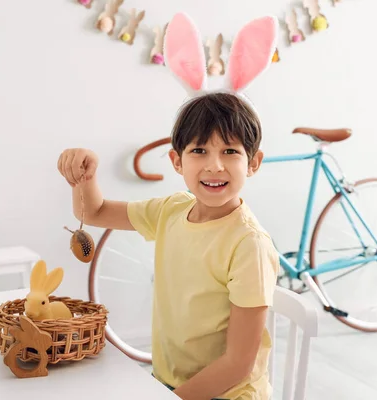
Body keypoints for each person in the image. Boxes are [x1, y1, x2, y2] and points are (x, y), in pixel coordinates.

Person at [57, 12, 280, 400]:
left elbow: (238, 363)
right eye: (199, 151)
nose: (214, 164)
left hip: (229, 393)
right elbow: (94, 213)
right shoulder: (171, 211)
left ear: (254, 163)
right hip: (170, 382)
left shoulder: (249, 245)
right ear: (177, 162)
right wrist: (84, 174)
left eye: (230, 151)